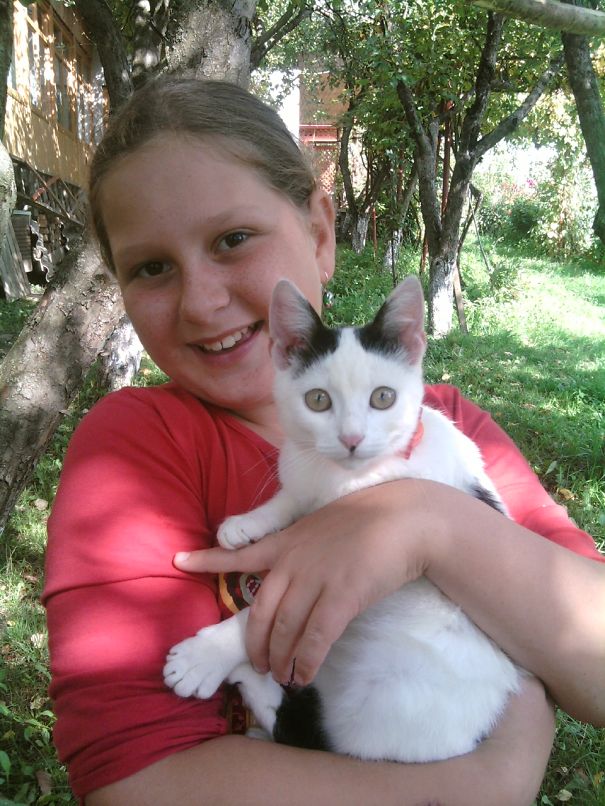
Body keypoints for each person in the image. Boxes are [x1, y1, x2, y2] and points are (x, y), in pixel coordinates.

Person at [43, 77, 605, 806]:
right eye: (151, 268)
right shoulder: (138, 448)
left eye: (233, 239)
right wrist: (478, 787)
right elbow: (135, 785)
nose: (201, 300)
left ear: (318, 230)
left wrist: (428, 524)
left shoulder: (444, 425)